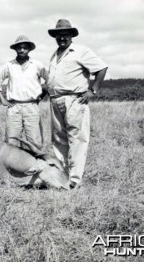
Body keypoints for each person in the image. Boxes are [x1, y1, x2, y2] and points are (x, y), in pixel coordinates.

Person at [47, 19, 108, 189]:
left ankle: (74, 179)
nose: (62, 38)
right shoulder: (55, 54)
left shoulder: (81, 51)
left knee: (77, 138)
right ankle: (62, 175)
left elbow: (101, 68)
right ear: (55, 37)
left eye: (66, 35)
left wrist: (93, 90)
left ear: (71, 36)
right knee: (59, 139)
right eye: (59, 35)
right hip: (56, 100)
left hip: (74, 99)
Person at [0, 35, 48, 148]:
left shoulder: (37, 65)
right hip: (14, 107)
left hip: (32, 106)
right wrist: (2, 99)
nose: (22, 50)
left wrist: (40, 96)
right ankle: (12, 165)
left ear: (29, 49)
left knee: (34, 141)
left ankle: (35, 164)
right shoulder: (9, 65)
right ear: (15, 49)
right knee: (11, 141)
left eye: (24, 47)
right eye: (19, 48)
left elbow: (51, 80)